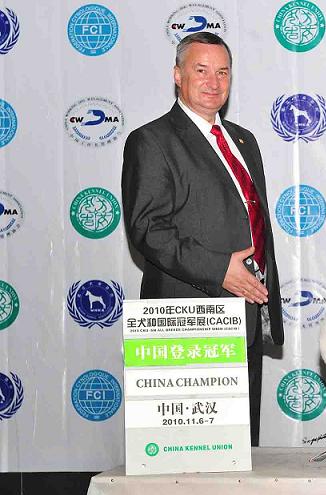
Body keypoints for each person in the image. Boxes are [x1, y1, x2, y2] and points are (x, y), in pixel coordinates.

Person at [121, 32, 283, 446]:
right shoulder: (151, 140)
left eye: (223, 72)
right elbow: (147, 228)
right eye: (201, 70)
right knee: (188, 457)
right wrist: (219, 269)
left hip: (245, 313)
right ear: (177, 75)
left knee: (240, 448)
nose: (214, 82)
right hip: (188, 319)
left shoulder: (244, 140)